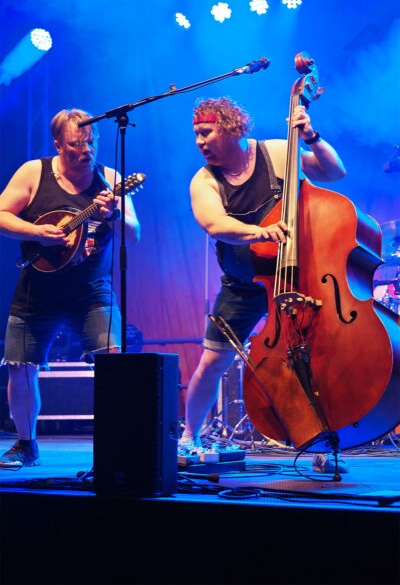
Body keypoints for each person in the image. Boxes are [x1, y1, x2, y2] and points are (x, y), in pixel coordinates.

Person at [181, 96, 347, 474]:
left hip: (297, 277)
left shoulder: (276, 152)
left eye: (205, 132)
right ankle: (190, 436)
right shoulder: (205, 180)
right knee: (212, 362)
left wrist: (313, 137)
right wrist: (260, 231)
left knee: (312, 361)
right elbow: (214, 225)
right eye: (195, 134)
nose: (199, 141)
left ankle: (323, 446)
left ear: (231, 128)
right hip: (243, 285)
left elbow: (334, 173)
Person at [0, 108, 140, 467]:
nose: (87, 151)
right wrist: (35, 232)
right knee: (20, 367)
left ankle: (114, 447)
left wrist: (113, 214)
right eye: (77, 144)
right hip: (39, 287)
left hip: (92, 290)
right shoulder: (35, 172)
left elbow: (134, 234)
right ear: (59, 144)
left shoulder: (110, 178)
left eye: (92, 142)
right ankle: (26, 445)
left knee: (112, 365)